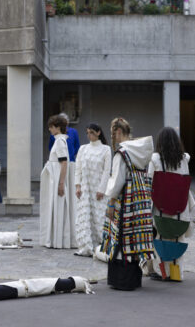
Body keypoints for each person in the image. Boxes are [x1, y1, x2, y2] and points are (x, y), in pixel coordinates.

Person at [101, 117, 155, 291]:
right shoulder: (142, 151)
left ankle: (121, 280)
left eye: (113, 134)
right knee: (135, 237)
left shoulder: (122, 154)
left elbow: (117, 181)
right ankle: (134, 278)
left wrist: (110, 203)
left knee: (121, 236)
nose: (114, 138)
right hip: (140, 201)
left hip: (125, 201)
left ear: (117, 132)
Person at [147, 127, 195, 282]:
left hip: (161, 206)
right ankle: (176, 273)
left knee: (160, 238)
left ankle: (162, 272)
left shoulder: (155, 159)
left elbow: (149, 181)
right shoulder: (184, 158)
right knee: (177, 238)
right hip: (180, 207)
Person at [73, 123, 111, 257]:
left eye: (91, 133)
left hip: (98, 188)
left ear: (98, 132)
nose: (89, 135)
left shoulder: (106, 149)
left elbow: (107, 171)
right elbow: (78, 169)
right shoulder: (83, 149)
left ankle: (101, 247)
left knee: (99, 217)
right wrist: (78, 186)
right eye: (87, 133)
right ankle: (85, 247)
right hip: (85, 188)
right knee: (84, 217)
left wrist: (102, 189)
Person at [40, 115, 76, 249]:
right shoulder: (59, 141)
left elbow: (64, 163)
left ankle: (59, 239)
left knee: (59, 207)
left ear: (58, 127)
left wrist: (61, 184)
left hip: (57, 179)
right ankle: (56, 238)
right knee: (56, 207)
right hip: (54, 178)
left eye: (51, 127)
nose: (49, 129)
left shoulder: (60, 141)